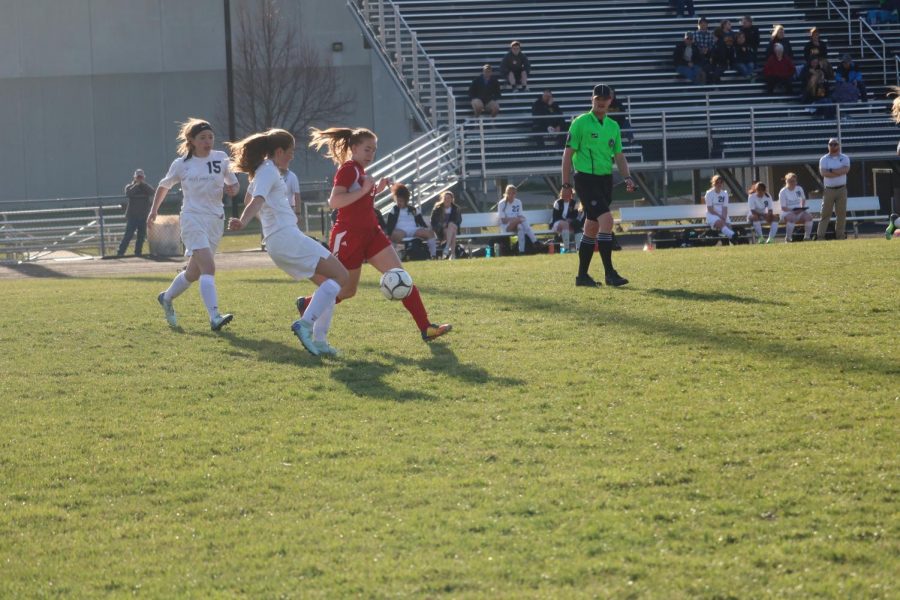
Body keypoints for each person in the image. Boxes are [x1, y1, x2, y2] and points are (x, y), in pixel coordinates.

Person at [299, 126, 451, 342]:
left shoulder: (360, 172)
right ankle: (307, 304)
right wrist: (364, 190)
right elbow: (335, 201)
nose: (371, 155)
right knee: (347, 290)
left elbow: (358, 200)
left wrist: (375, 190)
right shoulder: (348, 169)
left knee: (401, 277)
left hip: (371, 234)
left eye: (374, 150)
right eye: (367, 150)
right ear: (353, 148)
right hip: (349, 237)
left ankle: (426, 327)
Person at [226, 129, 348, 357]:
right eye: (290, 152)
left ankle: (320, 341)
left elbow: (251, 197)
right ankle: (304, 325)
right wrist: (243, 221)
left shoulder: (264, 172)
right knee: (342, 277)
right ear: (279, 151)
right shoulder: (269, 170)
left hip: (280, 240)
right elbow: (257, 199)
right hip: (286, 237)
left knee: (327, 287)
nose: (292, 157)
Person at [147, 118, 239, 331]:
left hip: (215, 220)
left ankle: (167, 297)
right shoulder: (181, 164)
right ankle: (215, 316)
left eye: (210, 137)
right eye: (202, 138)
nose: (208, 141)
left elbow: (233, 183)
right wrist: (154, 211)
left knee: (193, 273)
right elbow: (164, 186)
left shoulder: (221, 158)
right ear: (192, 140)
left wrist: (233, 189)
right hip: (192, 219)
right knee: (209, 266)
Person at [561, 84, 635, 287]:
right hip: (585, 179)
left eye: (605, 98)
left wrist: (627, 177)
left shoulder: (613, 126)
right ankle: (610, 274)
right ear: (591, 99)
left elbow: (619, 155)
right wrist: (566, 183)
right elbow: (567, 155)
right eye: (597, 98)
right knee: (607, 221)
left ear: (610, 100)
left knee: (592, 227)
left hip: (605, 180)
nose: (601, 101)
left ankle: (582, 277)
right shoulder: (580, 123)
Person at [385, 183, 438, 259]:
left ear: (406, 200)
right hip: (400, 231)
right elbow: (389, 225)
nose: (399, 203)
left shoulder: (413, 210)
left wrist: (426, 229)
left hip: (414, 231)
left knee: (430, 233)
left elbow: (421, 223)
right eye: (398, 200)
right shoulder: (394, 210)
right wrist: (389, 234)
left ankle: (433, 255)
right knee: (395, 234)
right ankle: (397, 255)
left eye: (401, 201)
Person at [818, 138, 851, 240]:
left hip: (842, 189)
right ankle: (820, 237)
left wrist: (831, 170)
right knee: (825, 214)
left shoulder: (845, 158)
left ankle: (840, 236)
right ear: (828, 146)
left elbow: (845, 170)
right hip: (829, 190)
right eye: (831, 144)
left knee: (841, 214)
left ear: (838, 145)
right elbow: (824, 173)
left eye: (835, 144)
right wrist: (838, 171)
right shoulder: (824, 159)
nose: (833, 146)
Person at [117, 168, 154, 257]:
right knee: (128, 236)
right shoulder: (129, 186)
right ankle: (120, 253)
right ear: (134, 177)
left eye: (141, 177)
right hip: (132, 216)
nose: (139, 179)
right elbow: (128, 194)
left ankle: (138, 253)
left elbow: (152, 192)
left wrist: (143, 185)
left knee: (141, 237)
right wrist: (136, 185)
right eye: (138, 177)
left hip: (143, 216)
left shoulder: (146, 187)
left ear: (143, 177)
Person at [498, 185, 538, 255]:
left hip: (517, 224)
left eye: (513, 193)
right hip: (506, 226)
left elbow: (520, 215)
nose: (511, 195)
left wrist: (518, 219)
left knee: (521, 227)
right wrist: (516, 219)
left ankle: (521, 251)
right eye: (509, 193)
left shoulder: (518, 202)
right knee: (521, 221)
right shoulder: (502, 203)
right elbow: (503, 220)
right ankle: (535, 241)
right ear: (506, 193)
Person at [778, 172, 814, 241]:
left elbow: (803, 199)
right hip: (787, 212)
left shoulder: (799, 189)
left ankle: (807, 237)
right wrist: (793, 211)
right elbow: (783, 207)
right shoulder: (783, 192)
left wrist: (802, 208)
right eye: (790, 181)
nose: (792, 183)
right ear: (786, 181)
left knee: (809, 217)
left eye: (794, 181)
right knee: (792, 218)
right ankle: (788, 238)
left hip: (799, 211)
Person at [430, 190, 463, 259]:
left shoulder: (456, 208)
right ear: (443, 198)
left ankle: (447, 247)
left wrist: (448, 224)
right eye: (445, 198)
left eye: (449, 198)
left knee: (451, 225)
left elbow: (458, 221)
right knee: (452, 233)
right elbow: (433, 221)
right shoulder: (437, 208)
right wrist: (441, 225)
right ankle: (452, 254)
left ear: (452, 199)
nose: (447, 199)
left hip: (453, 227)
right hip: (441, 230)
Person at [704, 175, 736, 242]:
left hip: (723, 215)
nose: (719, 184)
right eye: (717, 183)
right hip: (712, 215)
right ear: (714, 183)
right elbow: (710, 209)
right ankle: (733, 235)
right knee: (721, 223)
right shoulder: (709, 194)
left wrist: (724, 217)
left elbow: (725, 208)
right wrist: (720, 217)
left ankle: (733, 239)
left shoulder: (725, 194)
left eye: (720, 182)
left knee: (728, 226)